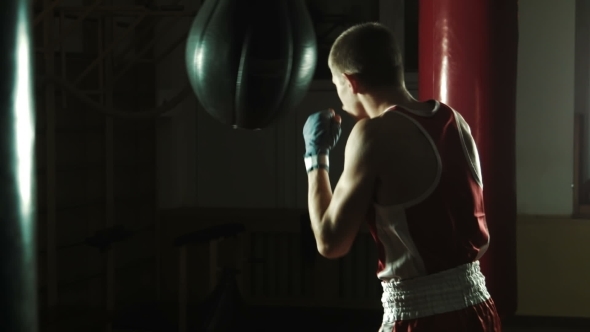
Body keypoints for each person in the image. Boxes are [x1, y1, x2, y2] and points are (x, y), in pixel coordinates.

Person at [302, 22, 502, 332]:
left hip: (422, 317)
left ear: (350, 81)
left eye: (336, 85)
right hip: (480, 307)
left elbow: (330, 242)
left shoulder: (373, 133)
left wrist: (316, 158)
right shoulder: (454, 119)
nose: (340, 98)